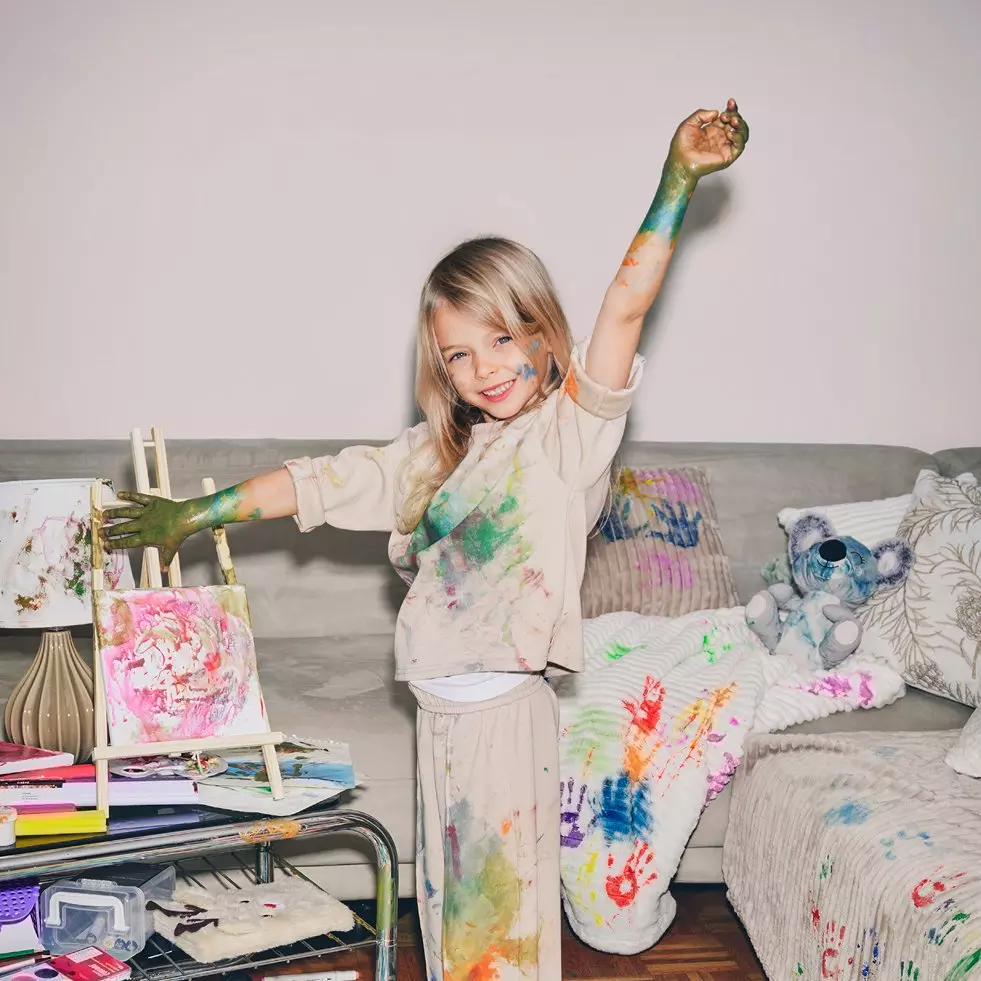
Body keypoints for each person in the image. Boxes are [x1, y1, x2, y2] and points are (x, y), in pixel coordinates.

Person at [102, 99, 748, 981]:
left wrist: (676, 181)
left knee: (500, 929)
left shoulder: (564, 439)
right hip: (440, 713)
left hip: (500, 714)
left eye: (500, 338)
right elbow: (319, 480)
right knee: (448, 919)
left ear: (541, 333)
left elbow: (627, 308)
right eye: (456, 354)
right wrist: (194, 512)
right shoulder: (433, 456)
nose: (482, 367)